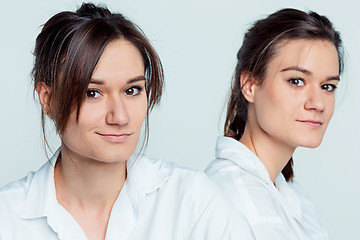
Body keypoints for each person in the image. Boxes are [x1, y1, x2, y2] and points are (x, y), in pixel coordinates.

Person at [0, 3, 253, 239]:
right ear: (47, 99)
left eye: (132, 90)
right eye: (92, 93)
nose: (120, 117)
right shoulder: (8, 218)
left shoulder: (192, 203)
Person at [205, 8, 343, 240]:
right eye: (296, 81)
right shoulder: (238, 201)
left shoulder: (290, 195)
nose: (318, 103)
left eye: (327, 86)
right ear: (250, 86)